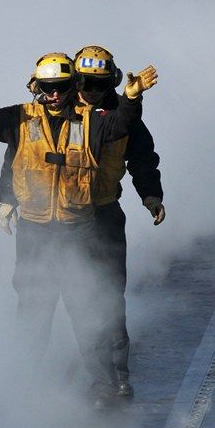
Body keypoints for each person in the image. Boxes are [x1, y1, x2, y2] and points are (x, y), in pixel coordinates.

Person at [0, 53, 158, 408]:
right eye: (47, 88)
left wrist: (133, 97)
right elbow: (6, 145)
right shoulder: (23, 118)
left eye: (62, 88)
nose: (55, 95)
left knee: (91, 301)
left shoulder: (94, 121)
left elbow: (125, 129)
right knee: (34, 303)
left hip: (85, 223)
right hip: (36, 229)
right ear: (36, 87)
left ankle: (110, 382)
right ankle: (25, 382)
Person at [73, 44, 164, 397]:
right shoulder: (56, 113)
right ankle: (100, 381)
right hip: (67, 218)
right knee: (81, 296)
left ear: (111, 83)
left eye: (99, 84)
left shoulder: (123, 115)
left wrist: (151, 195)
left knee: (111, 294)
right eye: (84, 82)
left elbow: (142, 158)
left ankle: (120, 374)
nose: (91, 90)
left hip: (107, 214)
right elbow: (25, 156)